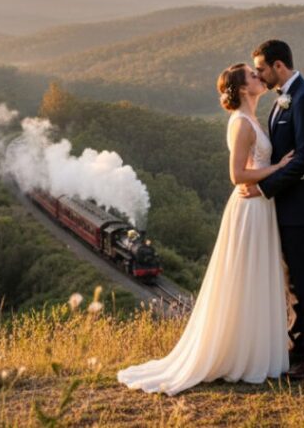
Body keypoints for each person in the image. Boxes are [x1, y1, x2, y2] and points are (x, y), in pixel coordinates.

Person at [117, 63, 293, 395]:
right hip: (249, 207)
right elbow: (237, 175)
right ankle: (239, 354)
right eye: (253, 76)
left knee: (258, 276)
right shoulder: (241, 123)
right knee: (245, 277)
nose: (259, 77)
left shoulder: (255, 118)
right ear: (243, 89)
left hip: (261, 205)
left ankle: (256, 350)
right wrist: (278, 167)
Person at [240, 39, 304, 379]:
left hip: (301, 207)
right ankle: (299, 347)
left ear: (279, 66)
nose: (258, 75)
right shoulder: (282, 100)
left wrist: (264, 186)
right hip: (285, 205)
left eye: (261, 68)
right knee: (293, 283)